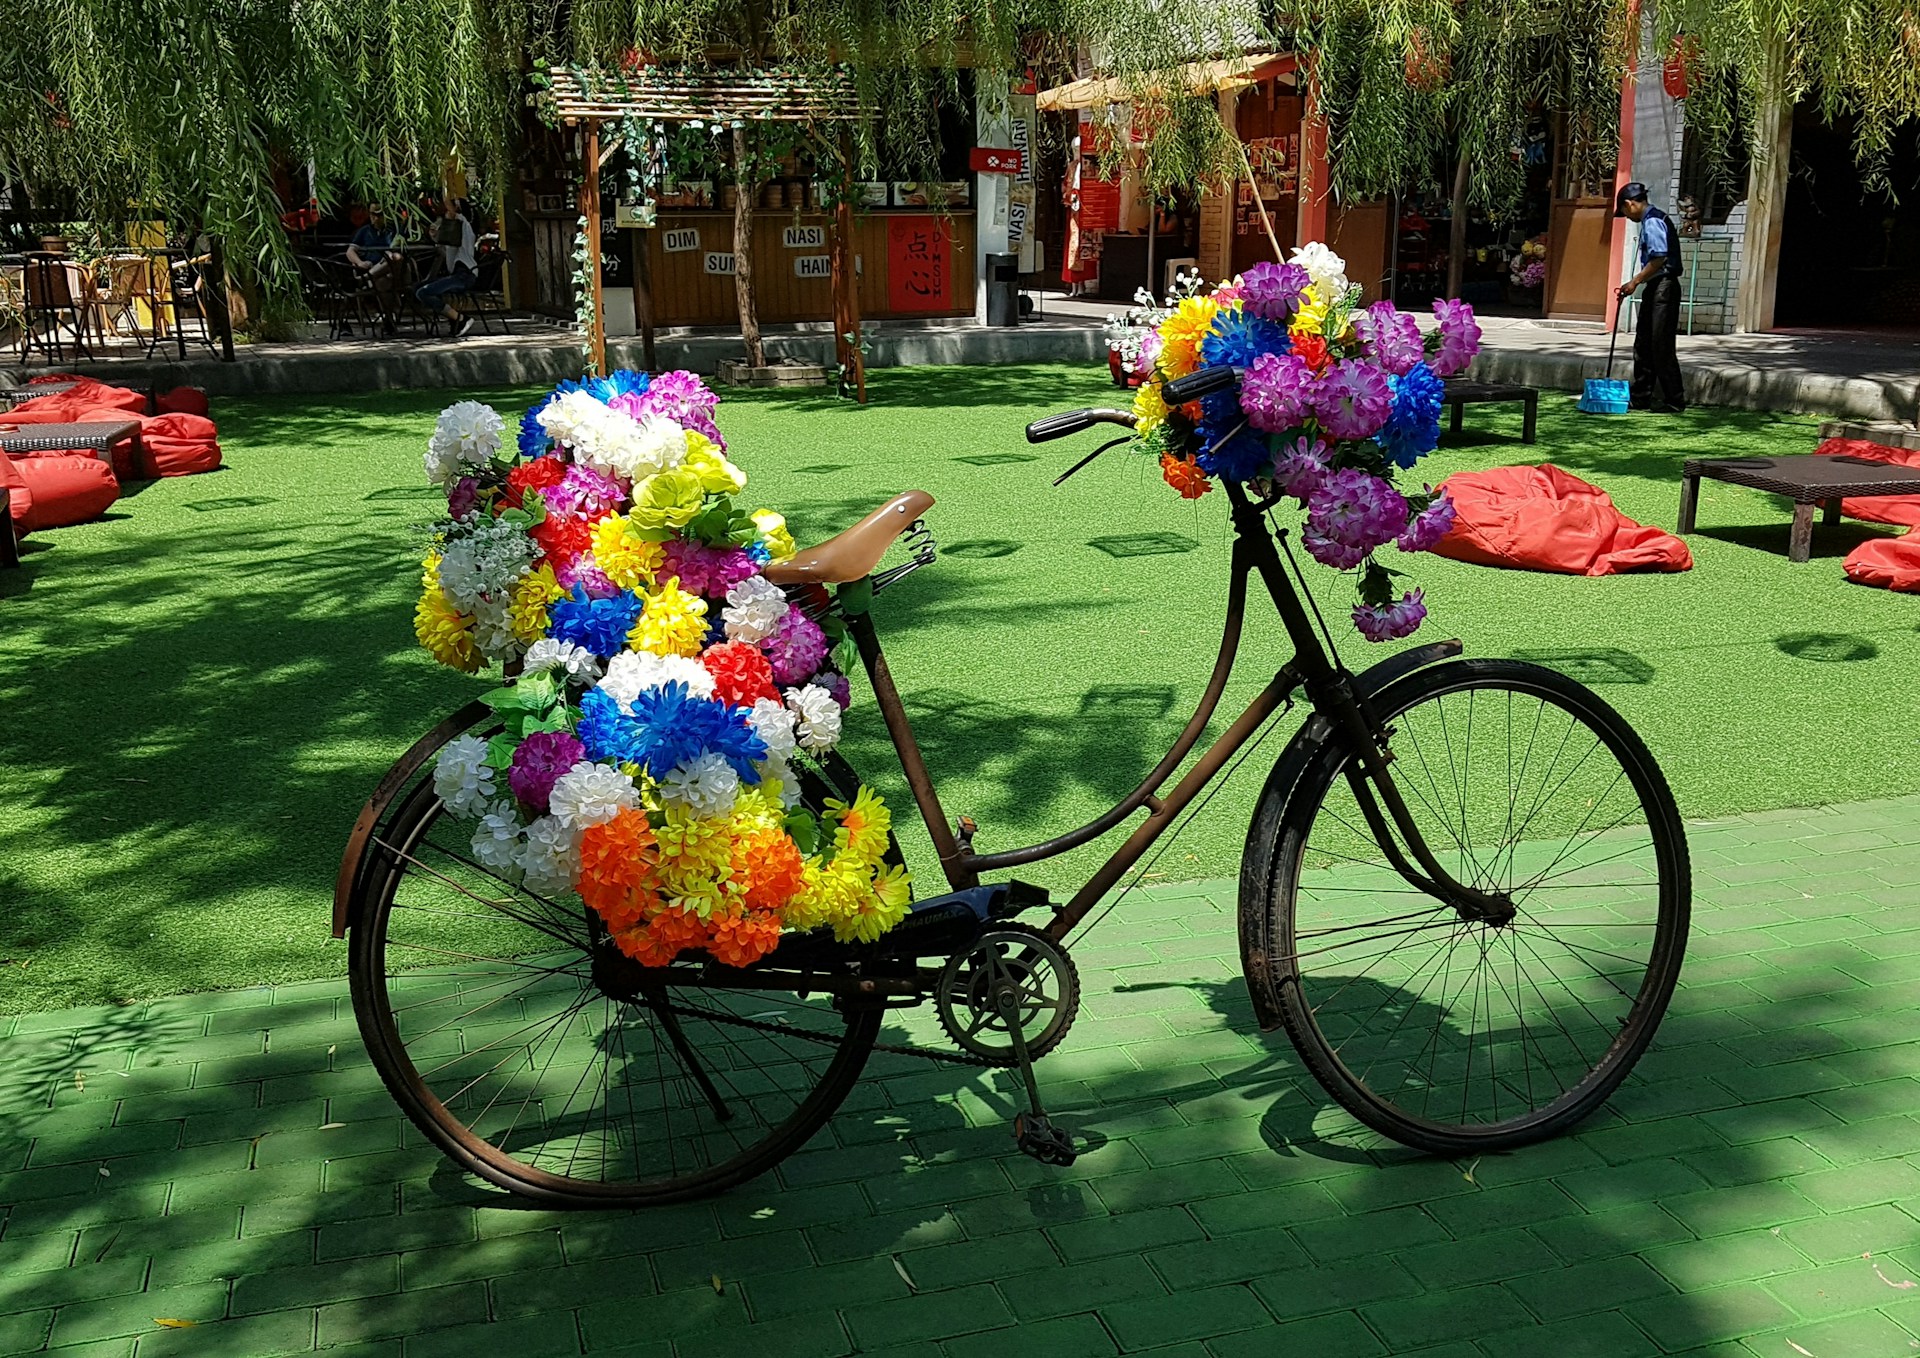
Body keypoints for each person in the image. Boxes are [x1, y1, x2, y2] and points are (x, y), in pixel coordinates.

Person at [1613, 182, 1686, 413]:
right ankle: (1641, 396)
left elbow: (1659, 258)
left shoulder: (1653, 220)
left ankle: (1674, 400)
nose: (1627, 216)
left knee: (1660, 345)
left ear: (1629, 204)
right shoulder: (1650, 220)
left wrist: (1634, 281)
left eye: (1624, 212)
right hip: (1655, 287)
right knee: (1644, 343)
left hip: (1664, 286)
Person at [415, 197, 477, 338]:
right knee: (417, 288)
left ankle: (461, 319)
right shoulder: (453, 232)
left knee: (423, 292)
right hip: (455, 274)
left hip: (464, 275)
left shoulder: (462, 223)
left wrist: (446, 190)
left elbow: (450, 207)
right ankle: (453, 317)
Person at [347, 204, 404, 335]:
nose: (376, 218)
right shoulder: (364, 231)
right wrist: (360, 263)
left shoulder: (394, 230)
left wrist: (389, 254)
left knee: (395, 258)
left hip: (393, 272)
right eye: (373, 214)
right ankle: (388, 320)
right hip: (375, 273)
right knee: (382, 283)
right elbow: (350, 251)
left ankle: (363, 279)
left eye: (379, 215)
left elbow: (399, 250)